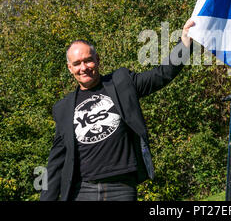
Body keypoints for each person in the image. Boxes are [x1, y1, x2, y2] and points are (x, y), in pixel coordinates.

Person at [40, 19, 195, 201]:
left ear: (97, 60)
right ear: (70, 68)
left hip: (121, 189)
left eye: (88, 61)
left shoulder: (122, 82)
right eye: (77, 63)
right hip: (82, 190)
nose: (84, 68)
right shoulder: (63, 108)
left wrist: (185, 42)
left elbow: (161, 74)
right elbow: (56, 162)